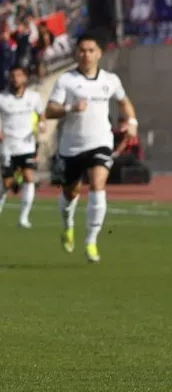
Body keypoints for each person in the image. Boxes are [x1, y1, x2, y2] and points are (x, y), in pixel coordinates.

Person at [45, 34, 137, 263]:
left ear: (99, 53)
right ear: (77, 53)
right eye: (82, 50)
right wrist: (70, 107)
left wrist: (132, 123)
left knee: (97, 184)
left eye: (90, 50)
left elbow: (124, 102)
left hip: (100, 142)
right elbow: (49, 111)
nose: (86, 54)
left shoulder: (110, 80)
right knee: (70, 193)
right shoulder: (66, 80)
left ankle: (91, 241)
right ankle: (68, 226)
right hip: (72, 146)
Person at [0, 65, 45, 228]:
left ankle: (23, 218)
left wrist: (42, 124)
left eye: (19, 75)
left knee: (28, 178)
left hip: (27, 146)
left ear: (25, 78)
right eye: (13, 76)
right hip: (8, 147)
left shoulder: (34, 97)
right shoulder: (0, 98)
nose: (15, 79)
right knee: (7, 183)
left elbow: (41, 115)